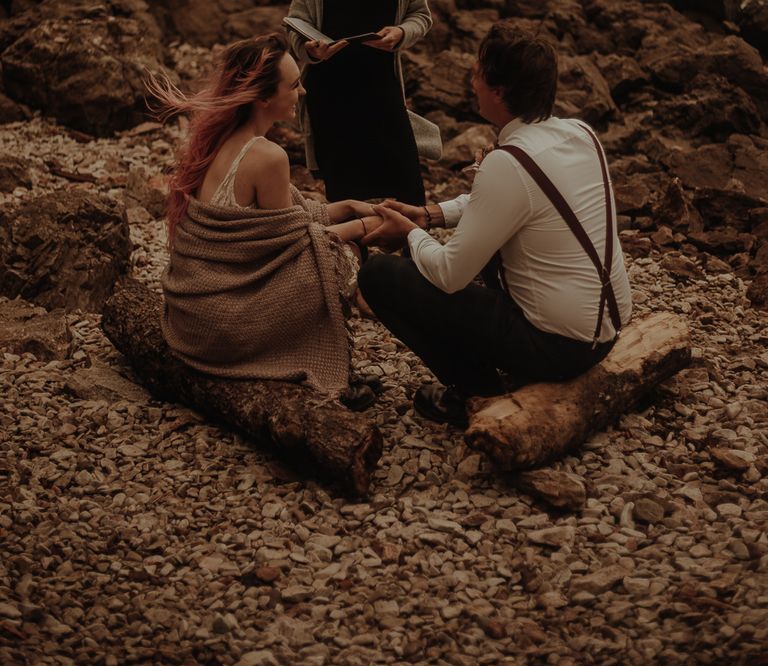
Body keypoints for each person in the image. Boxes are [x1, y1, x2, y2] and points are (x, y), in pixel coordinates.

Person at [358, 21, 633, 426]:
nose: (472, 80)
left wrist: (409, 233)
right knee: (479, 251)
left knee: (380, 275)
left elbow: (450, 274)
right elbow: (510, 202)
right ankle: (508, 365)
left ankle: (476, 391)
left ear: (499, 91)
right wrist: (432, 216)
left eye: (477, 72)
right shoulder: (580, 133)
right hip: (607, 330)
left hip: (560, 349)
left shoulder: (508, 163)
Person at [146, 34, 382, 407]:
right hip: (219, 329)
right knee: (340, 255)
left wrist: (351, 205)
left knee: (332, 242)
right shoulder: (268, 156)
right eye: (293, 84)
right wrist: (362, 229)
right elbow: (293, 247)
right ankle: (321, 370)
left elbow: (287, 219)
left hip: (191, 318)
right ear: (263, 98)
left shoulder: (218, 138)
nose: (302, 91)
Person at [286, 0, 432, 204]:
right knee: (343, 190)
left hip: (382, 86)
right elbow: (295, 23)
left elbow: (421, 16)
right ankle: (348, 235)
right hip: (329, 91)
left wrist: (401, 32)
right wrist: (309, 49)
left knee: (408, 187)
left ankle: (413, 234)